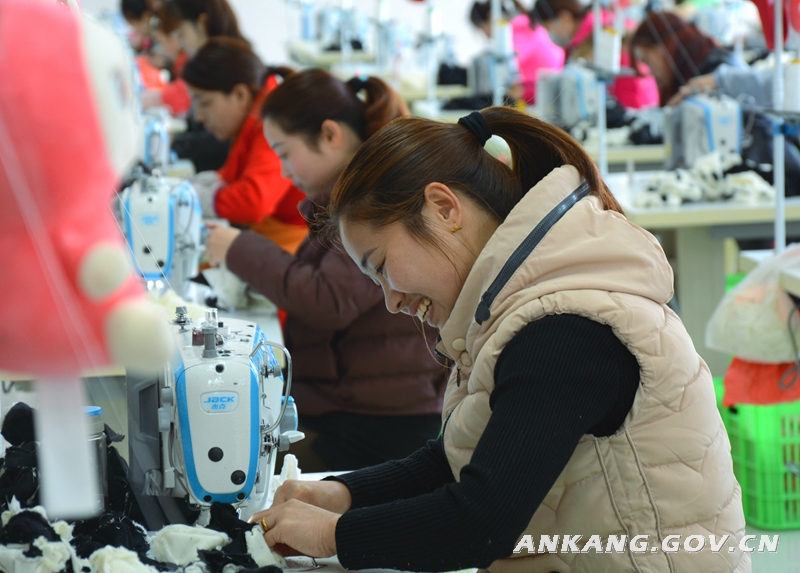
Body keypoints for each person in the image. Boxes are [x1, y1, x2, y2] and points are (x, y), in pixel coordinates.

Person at [250, 107, 749, 572]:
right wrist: (344, 494)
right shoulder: (515, 308)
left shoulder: (565, 329)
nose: (391, 301)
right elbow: (464, 455)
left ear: (444, 208)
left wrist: (335, 535)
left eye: (382, 267)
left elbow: (481, 523)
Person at [203, 69, 448, 472]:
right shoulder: (355, 193)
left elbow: (329, 299)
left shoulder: (371, 199)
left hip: (375, 424)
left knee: (230, 466)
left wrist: (239, 249)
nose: (284, 172)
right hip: (361, 402)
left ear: (330, 135)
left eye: (285, 153)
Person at [181, 39, 307, 253]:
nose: (199, 116)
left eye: (205, 103)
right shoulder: (257, 110)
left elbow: (254, 201)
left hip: (295, 242)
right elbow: (234, 174)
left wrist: (189, 197)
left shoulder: (272, 119)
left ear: (240, 95)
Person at [530, 0, 659, 109]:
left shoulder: (599, 33)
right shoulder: (584, 36)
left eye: (548, 27)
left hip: (632, 105)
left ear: (565, 18)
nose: (550, 33)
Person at [629, 11, 747, 106]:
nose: (650, 71)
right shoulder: (707, 61)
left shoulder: (712, 74)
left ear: (664, 48)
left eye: (647, 60)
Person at [469, 0, 565, 103]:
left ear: (490, 16)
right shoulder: (524, 23)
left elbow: (504, 70)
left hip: (542, 95)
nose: (486, 35)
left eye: (482, 28)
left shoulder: (517, 31)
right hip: (543, 91)